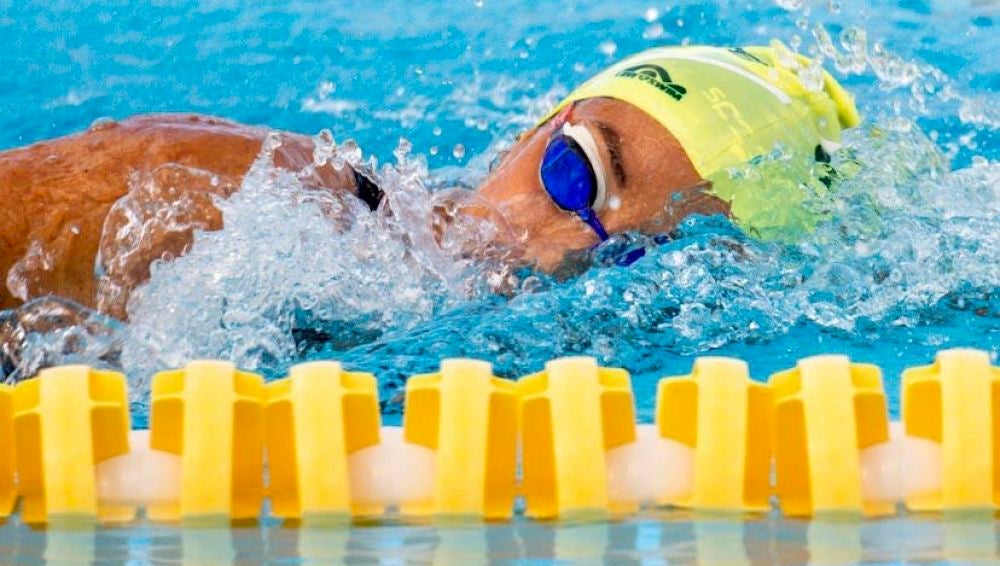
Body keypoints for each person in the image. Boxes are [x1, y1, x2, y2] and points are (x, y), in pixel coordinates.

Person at [0, 43, 859, 316]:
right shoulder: (261, 191)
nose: (560, 254)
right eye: (575, 173)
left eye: (635, 261)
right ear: (537, 131)